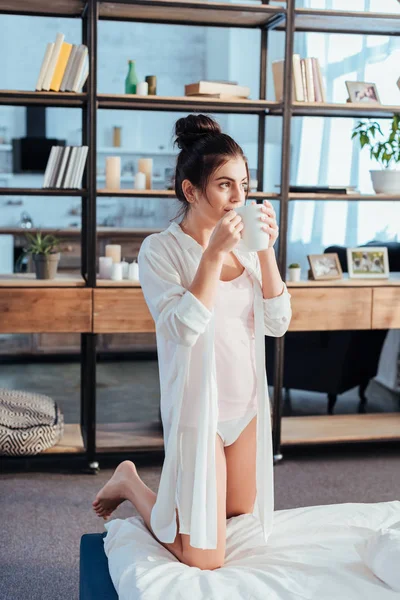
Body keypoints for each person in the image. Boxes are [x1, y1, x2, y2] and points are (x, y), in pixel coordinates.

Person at [92, 114, 292, 571]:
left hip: (247, 411)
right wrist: (214, 252)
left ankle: (173, 495)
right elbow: (182, 329)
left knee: (239, 518)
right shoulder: (160, 250)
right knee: (203, 558)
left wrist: (265, 249)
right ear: (190, 191)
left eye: (244, 183)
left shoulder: (248, 247)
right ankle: (132, 484)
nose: (239, 197)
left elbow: (278, 323)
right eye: (225, 185)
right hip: (199, 413)